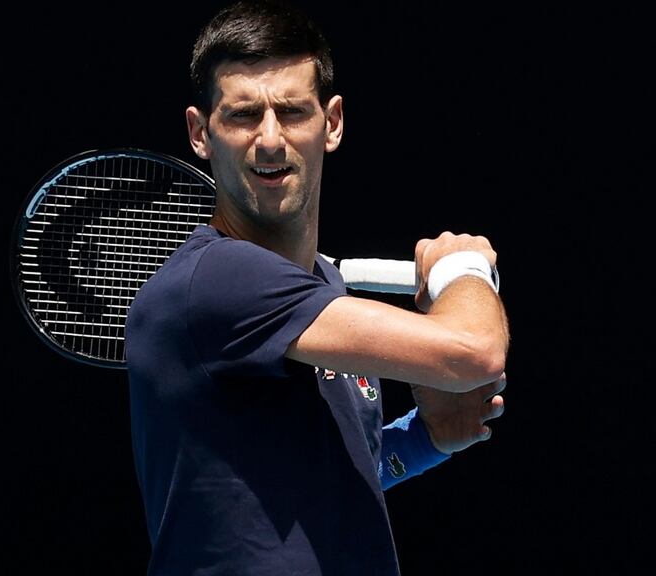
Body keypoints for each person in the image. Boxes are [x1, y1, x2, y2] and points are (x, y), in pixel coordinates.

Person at [125, 1, 509, 573]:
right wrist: (463, 267)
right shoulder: (220, 280)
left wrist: (427, 438)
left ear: (331, 123)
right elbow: (475, 351)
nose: (271, 139)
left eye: (292, 112)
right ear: (199, 132)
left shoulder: (323, 292)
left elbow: (336, 478)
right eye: (243, 115)